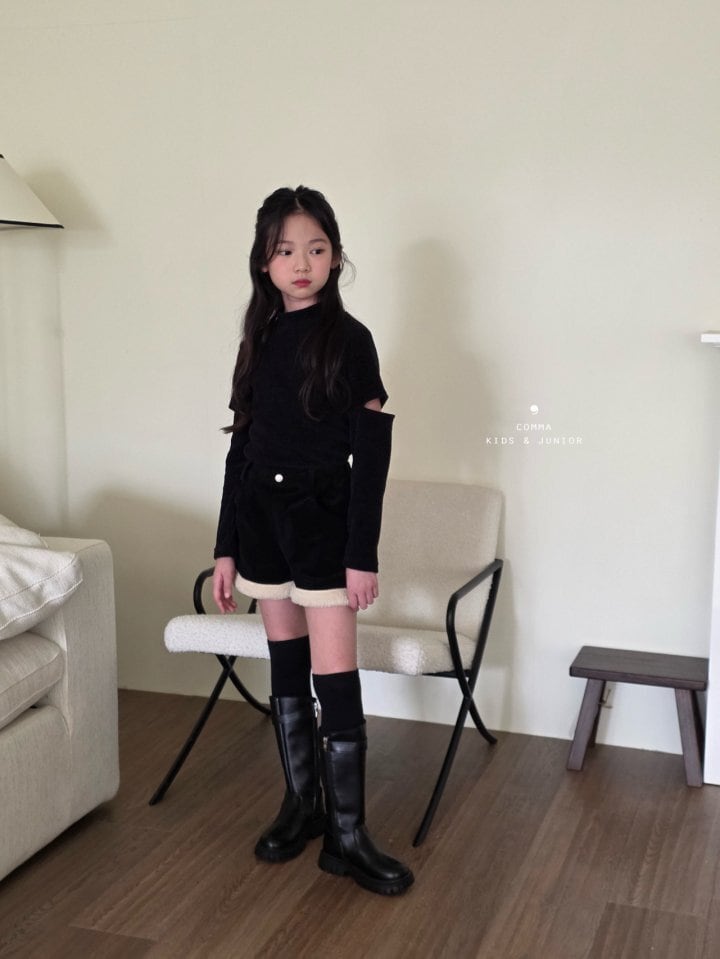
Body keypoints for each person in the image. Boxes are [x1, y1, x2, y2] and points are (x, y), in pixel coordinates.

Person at [212, 186, 413, 896]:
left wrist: (362, 553)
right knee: (288, 670)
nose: (301, 263)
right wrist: (226, 546)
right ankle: (303, 804)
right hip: (263, 525)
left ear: (335, 256)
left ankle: (348, 835)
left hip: (325, 526)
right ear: (264, 262)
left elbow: (371, 456)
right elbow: (240, 448)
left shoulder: (351, 340)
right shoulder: (259, 339)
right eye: (285, 250)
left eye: (316, 248)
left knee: (336, 678)